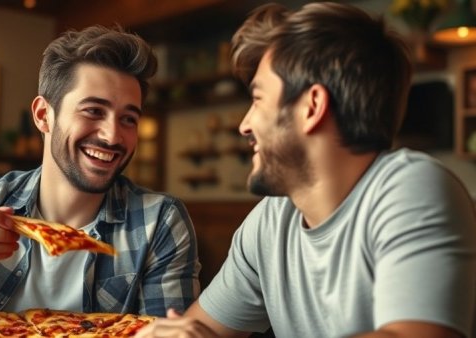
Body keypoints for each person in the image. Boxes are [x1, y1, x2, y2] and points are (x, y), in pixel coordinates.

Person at [136, 2, 476, 338]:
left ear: (311, 107)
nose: (244, 125)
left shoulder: (410, 188)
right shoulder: (271, 220)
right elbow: (201, 330)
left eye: (257, 99)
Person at [0, 25, 200, 317]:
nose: (113, 135)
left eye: (128, 118)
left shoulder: (158, 222)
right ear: (44, 115)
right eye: (93, 111)